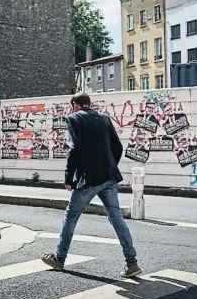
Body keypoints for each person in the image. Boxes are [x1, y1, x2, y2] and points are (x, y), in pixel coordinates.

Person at [40, 92, 141, 277]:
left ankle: (59, 258)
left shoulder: (73, 119)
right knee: (117, 218)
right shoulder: (104, 118)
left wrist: (68, 178)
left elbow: (74, 150)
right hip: (109, 177)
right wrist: (109, 166)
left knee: (71, 216)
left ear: (76, 105)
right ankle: (132, 263)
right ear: (88, 103)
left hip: (87, 179)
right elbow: (117, 147)